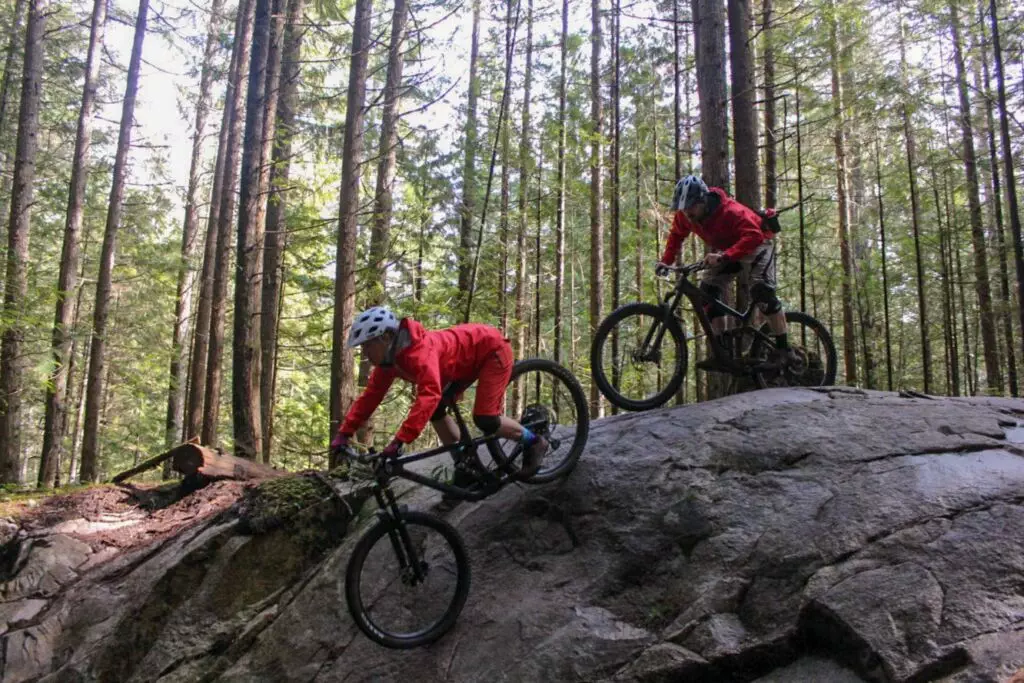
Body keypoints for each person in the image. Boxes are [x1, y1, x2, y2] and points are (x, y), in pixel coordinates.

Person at [330, 306, 548, 483]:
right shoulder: (388, 363)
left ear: (386, 338)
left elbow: (428, 394)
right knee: (435, 411)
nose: (365, 353)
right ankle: (465, 462)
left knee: (485, 418)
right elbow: (369, 398)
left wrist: (400, 441)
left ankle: (534, 441)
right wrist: (343, 434)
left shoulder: (419, 352)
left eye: (368, 346)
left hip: (492, 350)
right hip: (460, 367)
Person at [655, 175, 795, 371]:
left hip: (757, 243)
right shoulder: (685, 216)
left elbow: (753, 236)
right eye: (683, 207)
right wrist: (665, 262)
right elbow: (676, 236)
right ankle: (723, 352)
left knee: (762, 292)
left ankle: (784, 351)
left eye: (691, 206)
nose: (687, 213)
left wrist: (724, 256)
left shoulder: (730, 211)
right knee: (707, 292)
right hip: (729, 250)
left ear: (703, 200)